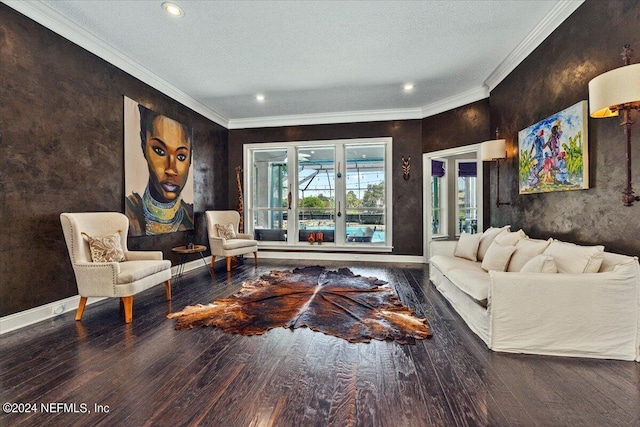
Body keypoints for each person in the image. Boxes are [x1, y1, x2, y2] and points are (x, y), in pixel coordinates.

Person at [126, 104, 194, 235]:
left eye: (181, 156)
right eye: (160, 151)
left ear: (190, 158)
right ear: (143, 144)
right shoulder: (128, 214)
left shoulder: (190, 217)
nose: (171, 169)